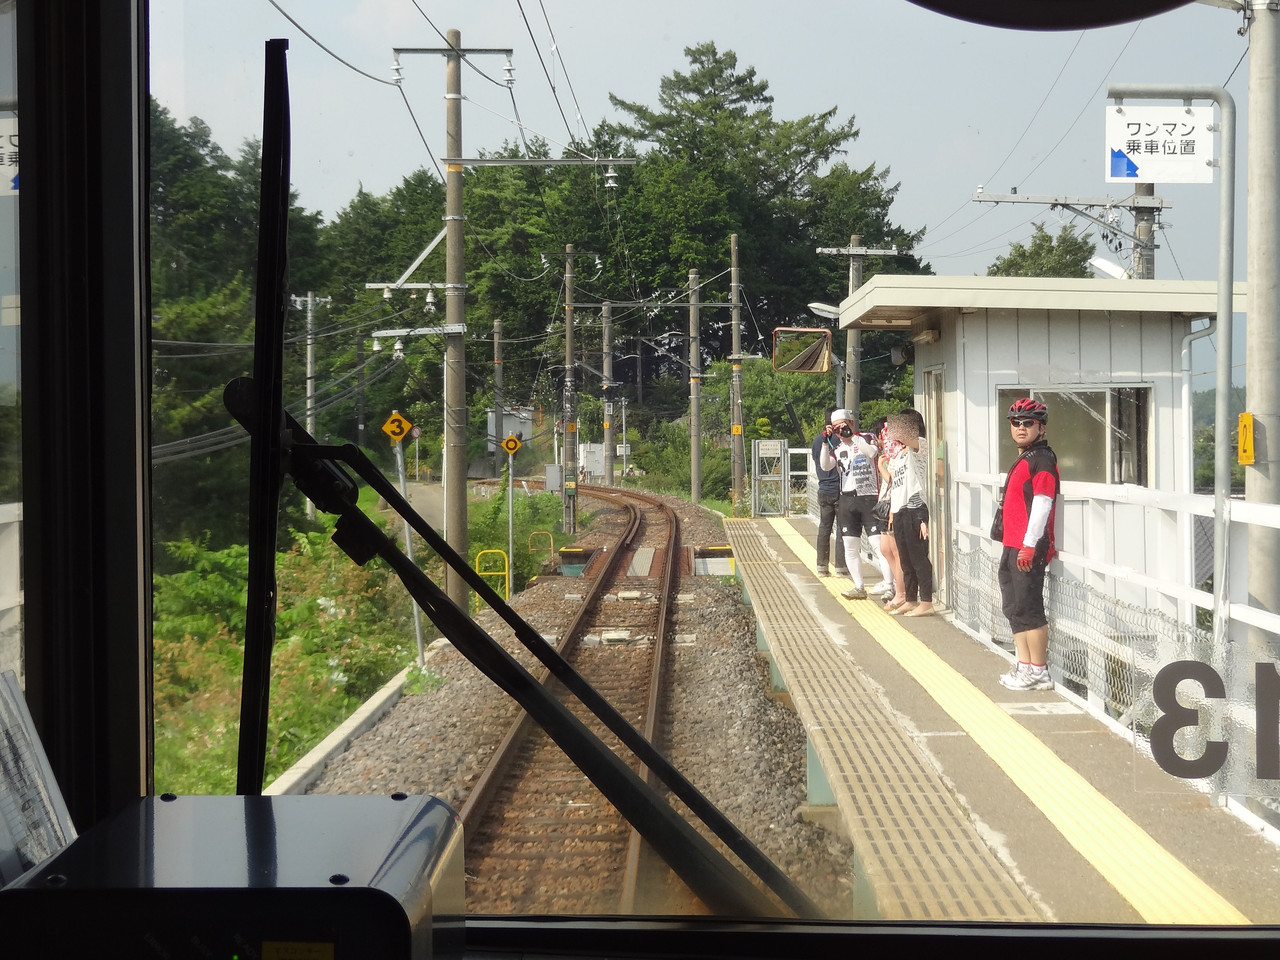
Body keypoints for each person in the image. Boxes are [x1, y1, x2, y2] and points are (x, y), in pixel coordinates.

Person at [995, 397, 1061, 691]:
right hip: (1013, 543)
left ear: (1041, 427)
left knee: (1030, 609)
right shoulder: (1026, 456)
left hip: (1028, 546)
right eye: (1015, 423)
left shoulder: (1043, 459)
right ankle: (1024, 665)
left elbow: (1044, 503)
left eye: (1028, 423)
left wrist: (1030, 544)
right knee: (1014, 607)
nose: (1021, 428)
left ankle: (1038, 671)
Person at [818, 408, 886, 600]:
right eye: (837, 428)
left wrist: (853, 436)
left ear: (851, 423)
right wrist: (825, 442)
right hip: (847, 498)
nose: (841, 431)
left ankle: (890, 584)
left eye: (844, 425)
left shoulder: (866, 437)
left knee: (877, 544)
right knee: (850, 545)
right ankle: (859, 586)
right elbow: (825, 466)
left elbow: (872, 453)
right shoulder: (837, 448)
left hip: (869, 495)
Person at [885, 410, 934, 617]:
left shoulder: (919, 445)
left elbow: (908, 439)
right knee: (905, 559)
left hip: (916, 510)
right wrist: (892, 513)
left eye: (903, 423)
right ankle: (911, 598)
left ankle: (926, 601)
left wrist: (895, 429)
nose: (896, 429)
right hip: (900, 510)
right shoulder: (900, 453)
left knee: (919, 557)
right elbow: (894, 483)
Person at [811, 407, 848, 578]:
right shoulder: (842, 439)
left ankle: (821, 566)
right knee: (842, 529)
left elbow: (817, 462)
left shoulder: (818, 441)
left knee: (824, 528)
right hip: (841, 490)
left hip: (824, 489)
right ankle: (841, 567)